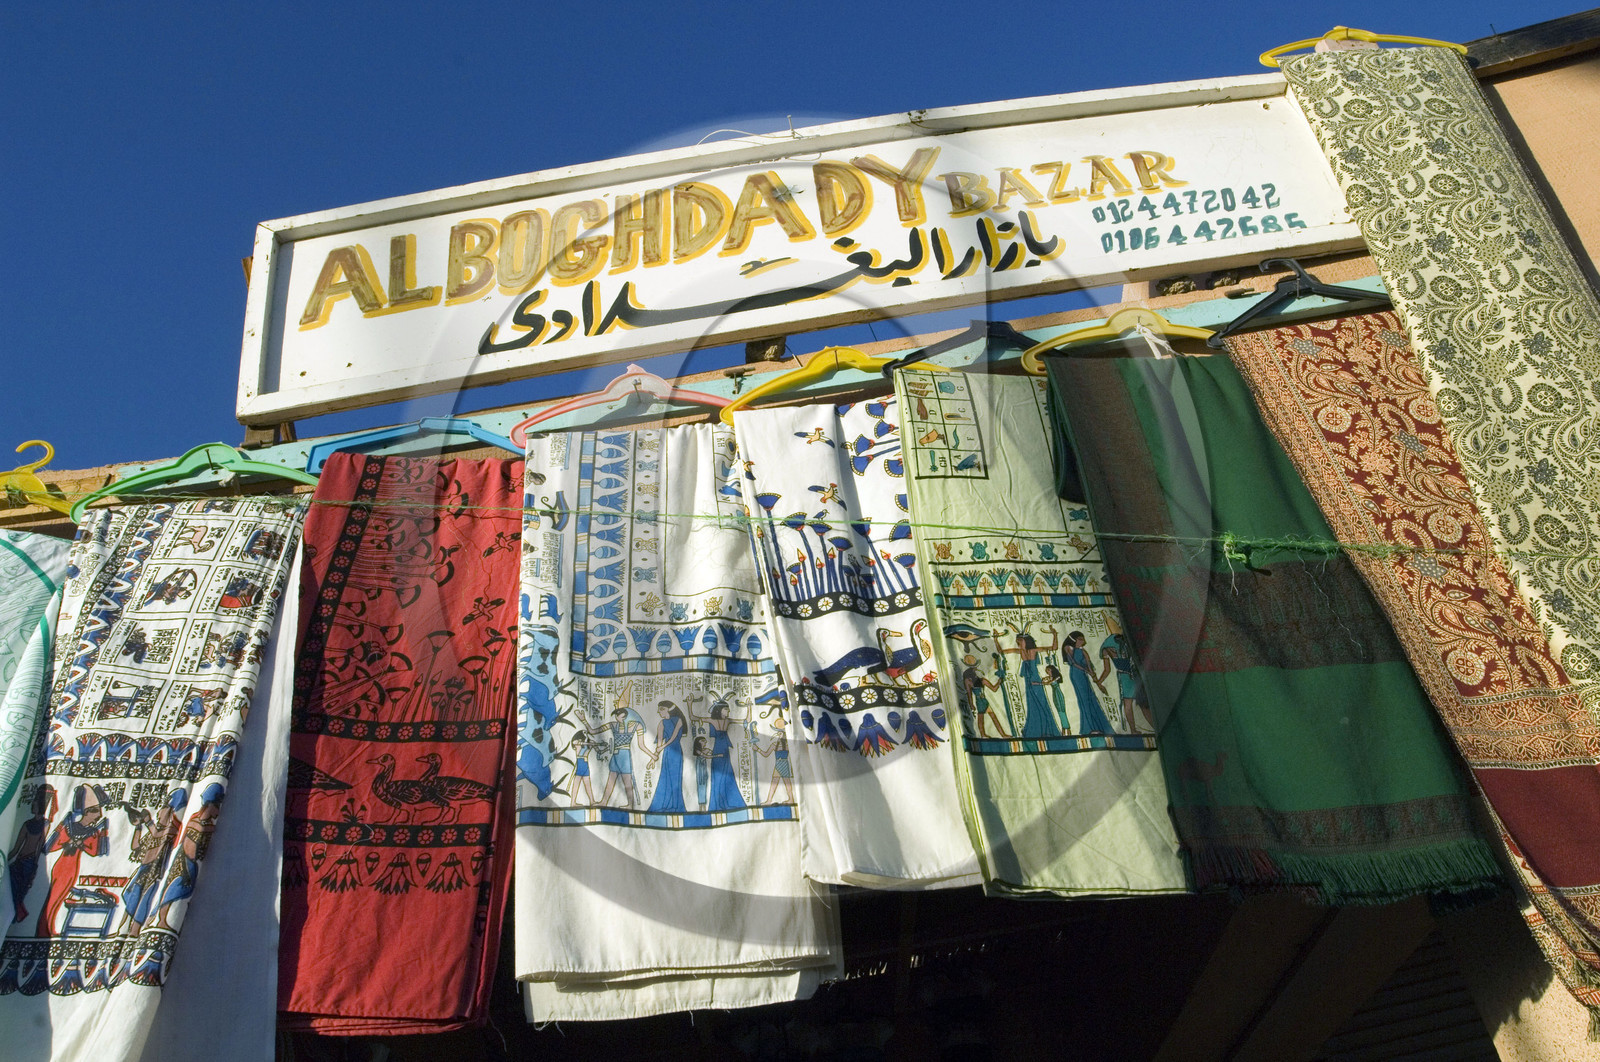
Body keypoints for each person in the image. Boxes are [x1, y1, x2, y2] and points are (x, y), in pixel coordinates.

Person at [37, 784, 111, 937]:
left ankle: (48, 929)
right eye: (96, 811)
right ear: (87, 812)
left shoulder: (91, 831)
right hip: (62, 867)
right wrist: (64, 834)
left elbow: (95, 851)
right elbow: (51, 846)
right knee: (53, 899)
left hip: (72, 868)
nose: (99, 815)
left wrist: (103, 832)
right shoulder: (70, 826)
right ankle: (44, 930)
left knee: (59, 899)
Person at [153, 783, 224, 931]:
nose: (217, 812)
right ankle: (161, 920)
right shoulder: (196, 821)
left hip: (191, 862)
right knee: (173, 891)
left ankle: (162, 920)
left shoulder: (202, 822)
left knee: (182, 892)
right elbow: (187, 839)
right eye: (216, 807)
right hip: (184, 862)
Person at [119, 788, 185, 934]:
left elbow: (159, 836)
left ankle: (134, 931)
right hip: (143, 870)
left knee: (144, 901)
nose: (160, 813)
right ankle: (123, 930)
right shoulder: (155, 831)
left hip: (154, 872)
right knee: (131, 896)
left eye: (164, 809)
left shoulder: (171, 828)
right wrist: (138, 827)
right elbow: (136, 846)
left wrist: (149, 822)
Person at [1000, 626, 1060, 739]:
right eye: (1017, 642)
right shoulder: (1021, 651)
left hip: (1035, 678)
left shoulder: (1032, 650)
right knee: (1032, 704)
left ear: (1026, 641)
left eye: (1020, 642)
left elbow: (1054, 647)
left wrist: (1055, 635)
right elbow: (1001, 651)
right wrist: (995, 640)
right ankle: (1035, 730)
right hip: (1028, 679)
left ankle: (1047, 730)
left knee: (1041, 703)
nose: (1018, 644)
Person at [690, 693, 747, 812]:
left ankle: (729, 801)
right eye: (726, 709)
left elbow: (746, 720)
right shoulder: (712, 720)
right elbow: (693, 717)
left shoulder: (728, 721)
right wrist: (689, 704)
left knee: (727, 773)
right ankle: (718, 803)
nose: (729, 711)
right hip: (718, 748)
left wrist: (749, 707)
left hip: (724, 749)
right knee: (718, 775)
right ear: (720, 710)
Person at [7, 786, 56, 924]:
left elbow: (37, 849)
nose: (33, 806)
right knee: (15, 892)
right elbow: (16, 849)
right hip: (24, 863)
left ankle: (14, 917)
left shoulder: (43, 825)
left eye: (35, 803)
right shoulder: (29, 824)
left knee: (17, 893)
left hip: (27, 864)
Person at [1099, 622, 1151, 732]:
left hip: (1125, 675)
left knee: (1129, 704)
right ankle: (1146, 729)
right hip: (1134, 674)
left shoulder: (1107, 644)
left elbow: (1107, 669)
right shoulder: (1124, 641)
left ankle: (1133, 730)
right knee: (1142, 705)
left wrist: (1099, 681)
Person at [1066, 631, 1114, 735]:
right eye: (1080, 639)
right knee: (1083, 700)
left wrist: (1096, 680)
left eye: (1083, 639)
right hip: (1076, 675)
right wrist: (1087, 671)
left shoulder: (1083, 651)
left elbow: (1089, 665)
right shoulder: (1068, 648)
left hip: (1083, 675)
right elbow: (1073, 663)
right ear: (1075, 639)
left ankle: (1099, 727)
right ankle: (1089, 728)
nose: (1083, 641)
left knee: (1091, 698)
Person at [645, 700, 689, 813]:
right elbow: (659, 743)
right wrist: (654, 758)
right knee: (665, 777)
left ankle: (676, 806)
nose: (659, 712)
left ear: (668, 709)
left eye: (661, 709)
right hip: (667, 753)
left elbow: (673, 737)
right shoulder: (661, 723)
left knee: (675, 778)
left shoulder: (678, 720)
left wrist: (662, 746)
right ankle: (662, 805)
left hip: (676, 751)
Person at [599, 707, 644, 808]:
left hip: (624, 755)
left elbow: (642, 745)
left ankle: (630, 804)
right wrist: (584, 720)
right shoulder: (613, 725)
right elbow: (593, 731)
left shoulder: (634, 726)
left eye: (624, 716)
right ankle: (604, 802)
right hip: (615, 755)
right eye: (620, 716)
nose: (622, 718)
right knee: (611, 780)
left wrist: (653, 755)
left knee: (627, 781)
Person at [959, 654, 1006, 739]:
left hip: (983, 701)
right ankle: (984, 734)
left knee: (991, 717)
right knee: (983, 718)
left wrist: (999, 681)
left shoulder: (982, 680)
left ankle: (1002, 735)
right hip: (980, 702)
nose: (977, 669)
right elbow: (969, 694)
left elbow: (994, 689)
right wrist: (971, 704)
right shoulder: (969, 681)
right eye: (975, 669)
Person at [1041, 664, 1074, 734]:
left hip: (1058, 693)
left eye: (1049, 670)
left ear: (1052, 670)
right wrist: (1045, 679)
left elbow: (1048, 682)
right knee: (1059, 711)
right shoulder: (1051, 677)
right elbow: (1043, 680)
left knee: (1062, 711)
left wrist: (1047, 680)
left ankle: (1067, 728)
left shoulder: (1057, 677)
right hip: (1054, 694)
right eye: (1047, 671)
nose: (1048, 672)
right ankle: (1064, 728)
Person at [567, 733, 596, 806]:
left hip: (585, 764)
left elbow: (590, 746)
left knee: (587, 784)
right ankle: (573, 802)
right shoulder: (577, 743)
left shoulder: (587, 745)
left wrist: (591, 744)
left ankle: (592, 801)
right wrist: (580, 742)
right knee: (577, 783)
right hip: (580, 763)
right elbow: (574, 742)